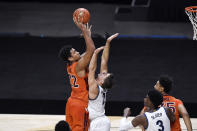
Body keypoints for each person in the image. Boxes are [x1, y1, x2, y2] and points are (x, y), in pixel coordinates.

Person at [59, 18, 95, 131]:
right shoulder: (79, 66)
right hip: (80, 104)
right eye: (74, 52)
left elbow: (88, 52)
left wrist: (88, 35)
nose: (78, 52)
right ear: (70, 57)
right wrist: (84, 31)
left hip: (71, 102)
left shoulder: (70, 65)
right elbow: (91, 50)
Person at [88, 33, 119, 131]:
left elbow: (91, 69)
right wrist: (108, 42)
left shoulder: (95, 87)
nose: (103, 73)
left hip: (99, 123)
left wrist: (95, 54)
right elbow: (104, 61)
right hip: (99, 121)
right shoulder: (102, 86)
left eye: (105, 75)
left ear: (102, 81)